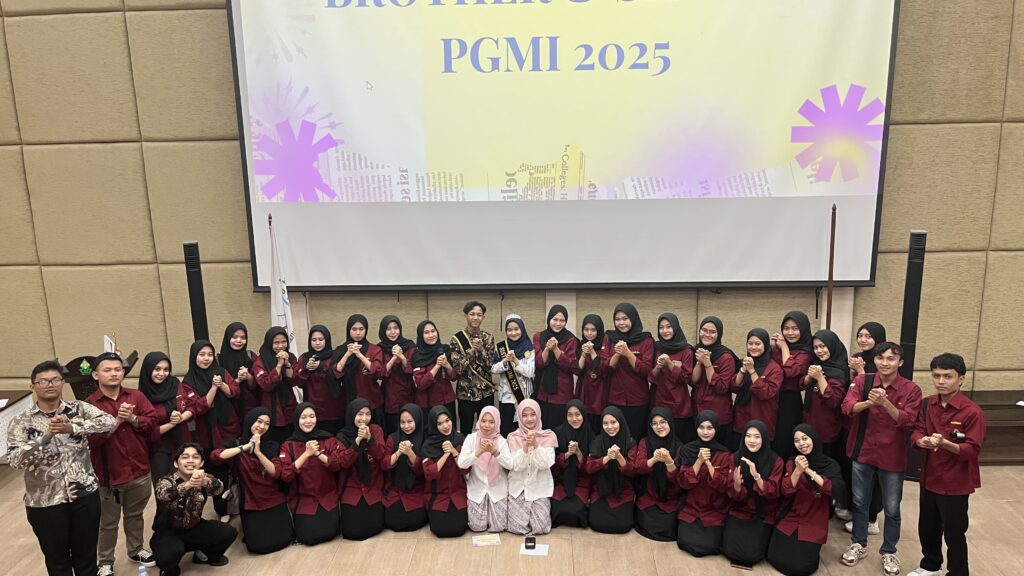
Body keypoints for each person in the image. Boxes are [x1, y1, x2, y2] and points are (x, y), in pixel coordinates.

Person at [8, 360, 116, 576]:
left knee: (86, 559)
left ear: (63, 383)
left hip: (84, 495)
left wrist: (73, 427)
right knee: (57, 562)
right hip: (45, 502)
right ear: (32, 386)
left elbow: (110, 422)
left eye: (55, 380)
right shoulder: (21, 421)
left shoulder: (79, 408)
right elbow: (15, 460)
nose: (50, 385)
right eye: (43, 381)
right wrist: (44, 437)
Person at [840, 342, 922, 576]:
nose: (885, 363)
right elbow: (847, 407)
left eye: (891, 359)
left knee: (892, 507)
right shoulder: (862, 381)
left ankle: (889, 551)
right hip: (862, 451)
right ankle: (859, 544)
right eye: (880, 358)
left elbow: (908, 421)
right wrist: (870, 402)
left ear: (900, 362)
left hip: (892, 456)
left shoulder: (911, 389)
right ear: (874, 360)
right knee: (859, 502)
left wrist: (885, 403)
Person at [908, 353, 985, 576]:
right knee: (927, 527)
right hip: (929, 477)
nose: (941, 381)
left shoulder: (972, 412)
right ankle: (930, 565)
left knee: (954, 533)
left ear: (961, 379)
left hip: (955, 483)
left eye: (947, 376)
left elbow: (972, 449)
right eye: (936, 376)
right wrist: (921, 441)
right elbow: (917, 431)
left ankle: (958, 572)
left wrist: (945, 444)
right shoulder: (927, 404)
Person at [85, 352, 158, 574]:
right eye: (107, 370)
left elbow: (153, 422)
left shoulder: (136, 396)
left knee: (135, 515)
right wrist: (117, 421)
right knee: (108, 522)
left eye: (118, 369)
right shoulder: (89, 405)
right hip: (109, 475)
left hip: (139, 469)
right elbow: (91, 440)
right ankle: (105, 561)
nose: (114, 374)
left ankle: (135, 549)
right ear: (95, 375)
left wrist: (133, 419)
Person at [211, 408, 293, 555]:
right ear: (250, 421)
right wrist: (245, 447)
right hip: (251, 501)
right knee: (257, 546)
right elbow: (215, 457)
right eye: (259, 421)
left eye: (267, 424)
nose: (262, 426)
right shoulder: (236, 444)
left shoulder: (272, 445)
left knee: (285, 538)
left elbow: (276, 473)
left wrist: (258, 452)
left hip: (274, 497)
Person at [767, 424, 845, 576]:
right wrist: (797, 471)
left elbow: (836, 490)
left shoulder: (830, 465)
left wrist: (809, 471)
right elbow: (786, 491)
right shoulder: (792, 462)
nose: (801, 443)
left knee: (802, 566)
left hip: (814, 519)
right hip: (792, 515)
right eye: (796, 441)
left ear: (813, 439)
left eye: (805, 438)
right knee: (775, 557)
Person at [150, 444, 238, 576]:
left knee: (229, 532)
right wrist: (188, 484)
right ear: (176, 463)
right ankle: (170, 569)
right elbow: (163, 494)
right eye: (185, 457)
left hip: (194, 528)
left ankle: (203, 556)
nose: (190, 460)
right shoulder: (166, 481)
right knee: (168, 557)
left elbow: (219, 488)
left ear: (201, 463)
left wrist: (206, 483)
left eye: (195, 457)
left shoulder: (204, 478)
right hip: (167, 532)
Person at [181, 340, 240, 521]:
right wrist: (214, 388)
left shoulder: (221, 371)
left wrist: (222, 385)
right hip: (206, 432)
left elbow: (234, 391)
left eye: (209, 354)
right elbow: (199, 407)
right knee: (215, 469)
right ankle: (222, 510)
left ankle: (239, 504)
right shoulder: (188, 380)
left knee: (235, 466)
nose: (206, 358)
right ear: (194, 356)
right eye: (202, 355)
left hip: (228, 427)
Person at [842, 321, 888, 526]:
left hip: (875, 423)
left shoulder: (883, 362)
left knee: (873, 472)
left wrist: (861, 371)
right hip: (855, 420)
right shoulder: (857, 358)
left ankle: (871, 519)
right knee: (856, 469)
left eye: (868, 336)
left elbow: (872, 392)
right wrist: (854, 371)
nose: (863, 340)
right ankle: (857, 511)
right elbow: (851, 389)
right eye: (860, 335)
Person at [721, 420, 783, 568]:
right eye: (748, 436)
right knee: (730, 551)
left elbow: (773, 493)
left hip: (762, 513)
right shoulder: (735, 457)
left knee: (752, 556)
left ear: (764, 438)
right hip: (739, 510)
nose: (752, 440)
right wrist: (737, 485)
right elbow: (732, 495)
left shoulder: (776, 461)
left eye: (757, 436)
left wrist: (757, 477)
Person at [279, 403, 343, 545]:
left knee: (330, 533)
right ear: (297, 420)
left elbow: (337, 466)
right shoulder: (288, 445)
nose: (308, 421)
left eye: (312, 416)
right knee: (308, 537)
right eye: (303, 417)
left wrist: (318, 454)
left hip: (327, 497)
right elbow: (286, 475)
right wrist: (306, 454)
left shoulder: (328, 439)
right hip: (304, 500)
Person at [676, 410, 732, 557]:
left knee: (711, 545)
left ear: (716, 429)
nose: (705, 432)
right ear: (696, 428)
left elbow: (723, 486)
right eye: (701, 427)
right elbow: (684, 482)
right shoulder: (687, 449)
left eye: (710, 428)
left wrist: (708, 464)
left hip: (714, 508)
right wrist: (699, 461)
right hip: (691, 506)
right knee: (684, 541)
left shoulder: (724, 453)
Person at [138, 351, 199, 484]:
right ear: (148, 369)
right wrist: (172, 424)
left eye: (166, 370)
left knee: (188, 485)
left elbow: (191, 406)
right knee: (164, 487)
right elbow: (148, 430)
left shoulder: (174, 383)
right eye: (157, 369)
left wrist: (181, 418)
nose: (162, 373)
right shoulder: (141, 396)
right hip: (159, 449)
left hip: (182, 443)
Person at [505, 399, 557, 535]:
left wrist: (536, 445)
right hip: (518, 487)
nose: (529, 419)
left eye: (533, 414)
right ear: (519, 417)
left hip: (539, 487)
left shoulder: (548, 435)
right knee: (517, 528)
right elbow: (515, 466)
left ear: (538, 414)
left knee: (541, 528)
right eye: (524, 415)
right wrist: (525, 448)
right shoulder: (512, 437)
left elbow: (546, 464)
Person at [336, 397, 386, 540]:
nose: (364, 418)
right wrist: (357, 441)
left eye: (367, 414)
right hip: (352, 487)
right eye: (360, 414)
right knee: (353, 531)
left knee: (376, 526)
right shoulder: (342, 436)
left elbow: (380, 456)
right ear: (352, 414)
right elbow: (343, 463)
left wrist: (370, 439)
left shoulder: (375, 430)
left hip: (373, 484)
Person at [603, 303, 654, 440]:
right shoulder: (609, 337)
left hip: (638, 399)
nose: (621, 323)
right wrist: (617, 354)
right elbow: (604, 368)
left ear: (633, 318)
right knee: (615, 437)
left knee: (635, 437)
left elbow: (646, 370)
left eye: (625, 319)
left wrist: (628, 354)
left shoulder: (646, 340)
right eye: (617, 319)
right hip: (615, 397)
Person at [631, 407, 683, 542]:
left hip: (670, 497)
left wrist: (669, 461)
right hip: (649, 494)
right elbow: (637, 467)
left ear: (670, 422)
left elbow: (677, 479)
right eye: (654, 423)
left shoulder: (679, 446)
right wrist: (654, 459)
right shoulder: (645, 442)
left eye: (663, 422)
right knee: (644, 518)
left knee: (669, 523)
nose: (659, 427)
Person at [457, 405, 512, 532]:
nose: (487, 425)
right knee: (476, 527)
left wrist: (495, 452)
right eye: (483, 421)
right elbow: (462, 463)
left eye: (491, 422)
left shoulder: (501, 441)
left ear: (497, 423)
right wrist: (479, 451)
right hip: (477, 488)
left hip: (497, 489)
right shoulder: (471, 439)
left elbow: (510, 465)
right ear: (479, 421)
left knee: (499, 527)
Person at [450, 300, 498, 434]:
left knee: (488, 429)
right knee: (465, 430)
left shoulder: (489, 338)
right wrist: (471, 351)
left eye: (479, 315)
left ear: (483, 317)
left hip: (486, 392)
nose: (475, 318)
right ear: (465, 315)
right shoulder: (457, 339)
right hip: (466, 393)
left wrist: (482, 351)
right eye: (472, 314)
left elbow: (492, 366)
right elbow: (458, 368)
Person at [691, 317, 739, 450]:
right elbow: (693, 381)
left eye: (712, 332)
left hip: (718, 415)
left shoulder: (726, 357)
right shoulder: (696, 351)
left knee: (718, 453)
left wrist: (708, 364)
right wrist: (699, 362)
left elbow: (722, 387)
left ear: (719, 334)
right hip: (697, 411)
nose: (707, 334)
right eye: (704, 330)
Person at [586, 406, 636, 534]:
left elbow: (632, 472)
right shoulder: (597, 441)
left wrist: (619, 458)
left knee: (624, 525)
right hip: (601, 489)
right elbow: (589, 468)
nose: (610, 427)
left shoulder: (630, 442)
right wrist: (606, 458)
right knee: (596, 523)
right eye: (605, 423)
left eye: (613, 422)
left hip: (623, 490)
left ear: (621, 422)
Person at [771, 311, 814, 458]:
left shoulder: (806, 352)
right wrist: (773, 347)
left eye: (795, 328)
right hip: (771, 397)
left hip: (789, 400)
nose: (790, 333)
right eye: (786, 328)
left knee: (785, 437)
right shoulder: (777, 348)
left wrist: (784, 347)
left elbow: (791, 371)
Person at [422, 405, 470, 538]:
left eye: (447, 420)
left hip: (458, 492)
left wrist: (454, 451)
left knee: (460, 528)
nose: (445, 426)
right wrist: (445, 454)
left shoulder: (461, 440)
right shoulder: (428, 445)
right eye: (440, 423)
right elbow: (430, 473)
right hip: (437, 495)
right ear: (433, 425)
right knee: (439, 529)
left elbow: (466, 469)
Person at [804, 330, 849, 466]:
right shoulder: (816, 364)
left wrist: (820, 378)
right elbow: (802, 383)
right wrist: (810, 376)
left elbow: (833, 400)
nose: (819, 351)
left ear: (832, 346)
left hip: (827, 427)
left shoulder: (838, 371)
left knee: (825, 463)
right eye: (816, 347)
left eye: (823, 346)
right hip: (810, 421)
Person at [731, 329, 782, 448]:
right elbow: (734, 387)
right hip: (741, 416)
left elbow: (766, 393)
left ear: (765, 345)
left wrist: (752, 371)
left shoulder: (775, 368)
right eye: (750, 343)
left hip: (762, 415)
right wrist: (743, 370)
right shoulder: (746, 362)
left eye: (758, 344)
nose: (753, 347)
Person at [382, 403, 429, 532]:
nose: (406, 426)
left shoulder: (425, 439)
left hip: (417, 489)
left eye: (410, 421)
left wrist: (410, 453)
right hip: (396, 488)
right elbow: (385, 465)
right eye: (402, 422)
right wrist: (398, 453)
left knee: (414, 519)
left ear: (417, 420)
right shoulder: (393, 438)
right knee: (391, 520)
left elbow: (423, 470)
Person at [649, 313, 695, 443]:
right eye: (661, 327)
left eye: (668, 327)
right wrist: (658, 366)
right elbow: (650, 377)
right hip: (658, 399)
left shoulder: (686, 350)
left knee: (678, 441)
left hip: (679, 403)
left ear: (675, 327)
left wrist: (670, 364)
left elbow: (686, 379)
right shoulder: (656, 347)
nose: (665, 331)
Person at [331, 314, 385, 419]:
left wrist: (359, 355)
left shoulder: (374, 349)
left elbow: (378, 372)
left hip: (371, 399)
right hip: (349, 398)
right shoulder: (341, 349)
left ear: (366, 330)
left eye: (361, 329)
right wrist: (347, 354)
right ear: (348, 330)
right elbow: (334, 373)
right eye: (354, 329)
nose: (358, 333)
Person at [533, 305, 579, 428]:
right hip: (542, 392)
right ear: (549, 319)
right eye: (555, 319)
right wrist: (547, 349)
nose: (558, 324)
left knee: (559, 429)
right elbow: (538, 363)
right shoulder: (539, 336)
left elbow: (571, 366)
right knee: (543, 428)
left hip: (562, 394)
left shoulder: (571, 339)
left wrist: (556, 350)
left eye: (562, 320)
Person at [550, 400, 592, 528]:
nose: (574, 419)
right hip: (561, 480)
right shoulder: (557, 433)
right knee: (556, 510)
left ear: (583, 415)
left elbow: (591, 466)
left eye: (578, 414)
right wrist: (567, 454)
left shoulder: (590, 435)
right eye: (570, 415)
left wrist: (578, 453)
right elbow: (552, 462)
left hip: (581, 481)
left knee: (576, 512)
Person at [491, 314, 535, 436]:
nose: (513, 333)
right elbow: (493, 369)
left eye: (516, 329)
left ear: (522, 329)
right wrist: (505, 361)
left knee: (526, 432)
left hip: (526, 395)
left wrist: (515, 361)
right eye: (509, 330)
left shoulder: (529, 348)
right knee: (507, 432)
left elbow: (530, 372)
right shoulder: (500, 347)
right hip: (506, 399)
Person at [251, 327, 296, 443]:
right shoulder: (260, 361)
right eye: (276, 343)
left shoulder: (290, 357)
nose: (280, 346)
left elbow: (295, 381)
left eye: (284, 342)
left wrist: (287, 364)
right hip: (270, 408)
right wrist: (279, 365)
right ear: (269, 343)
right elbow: (266, 385)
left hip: (289, 407)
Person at [294, 325, 341, 433]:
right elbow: (298, 383)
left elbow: (339, 376)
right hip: (312, 407)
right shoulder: (304, 358)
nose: (317, 343)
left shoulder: (335, 356)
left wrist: (322, 367)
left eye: (321, 339)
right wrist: (306, 369)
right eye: (314, 340)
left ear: (327, 340)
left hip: (333, 407)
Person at [378, 316, 416, 435]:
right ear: (383, 331)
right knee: (392, 427)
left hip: (408, 390)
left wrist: (401, 356)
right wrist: (394, 357)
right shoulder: (380, 348)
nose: (393, 332)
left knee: (409, 421)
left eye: (396, 328)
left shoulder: (409, 345)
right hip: (389, 392)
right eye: (388, 329)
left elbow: (412, 369)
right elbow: (380, 373)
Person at [411, 320, 458, 414]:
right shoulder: (417, 356)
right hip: (428, 404)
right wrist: (437, 366)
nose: (431, 335)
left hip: (447, 400)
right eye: (426, 332)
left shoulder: (444, 349)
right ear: (421, 336)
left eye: (433, 331)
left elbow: (454, 377)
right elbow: (421, 384)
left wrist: (447, 365)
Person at [217, 322, 258, 420]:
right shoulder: (218, 360)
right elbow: (219, 386)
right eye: (235, 337)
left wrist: (248, 377)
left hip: (249, 406)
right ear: (228, 337)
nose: (239, 341)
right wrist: (238, 380)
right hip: (228, 408)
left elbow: (257, 384)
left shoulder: (251, 356)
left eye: (243, 338)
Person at [574, 314, 608, 431]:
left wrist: (593, 352)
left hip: (600, 390)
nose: (589, 333)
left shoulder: (605, 346)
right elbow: (577, 370)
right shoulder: (580, 345)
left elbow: (604, 369)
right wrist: (584, 353)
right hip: (584, 389)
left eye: (593, 330)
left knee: (599, 424)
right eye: (586, 330)